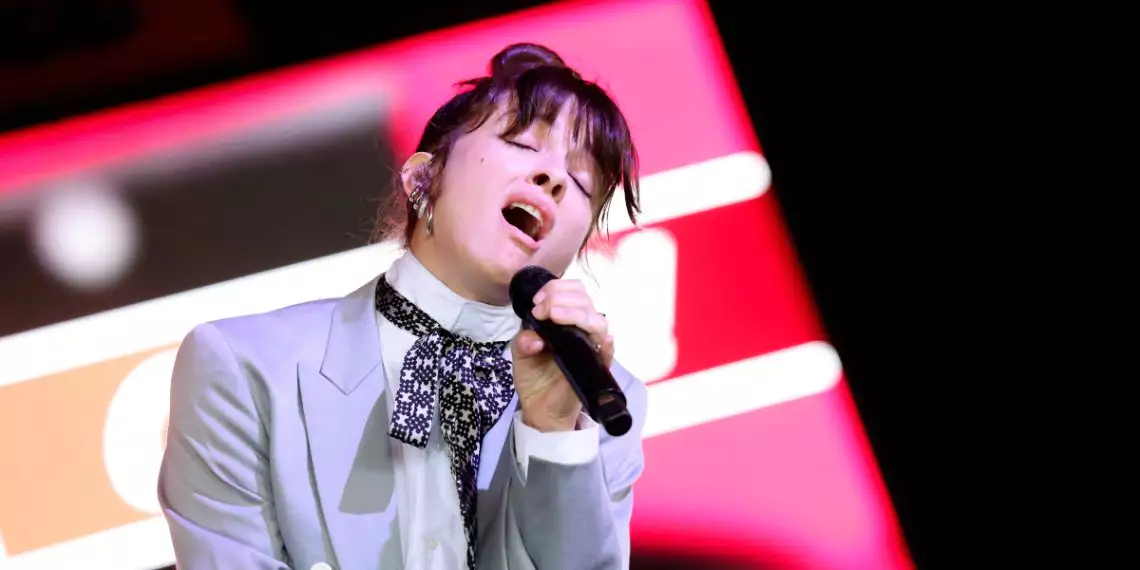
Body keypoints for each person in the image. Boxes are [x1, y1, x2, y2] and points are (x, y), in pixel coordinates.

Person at [158, 42, 648, 570]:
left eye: (580, 182)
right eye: (521, 143)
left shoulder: (599, 408)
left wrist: (553, 436)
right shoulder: (243, 369)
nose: (552, 178)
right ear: (423, 180)